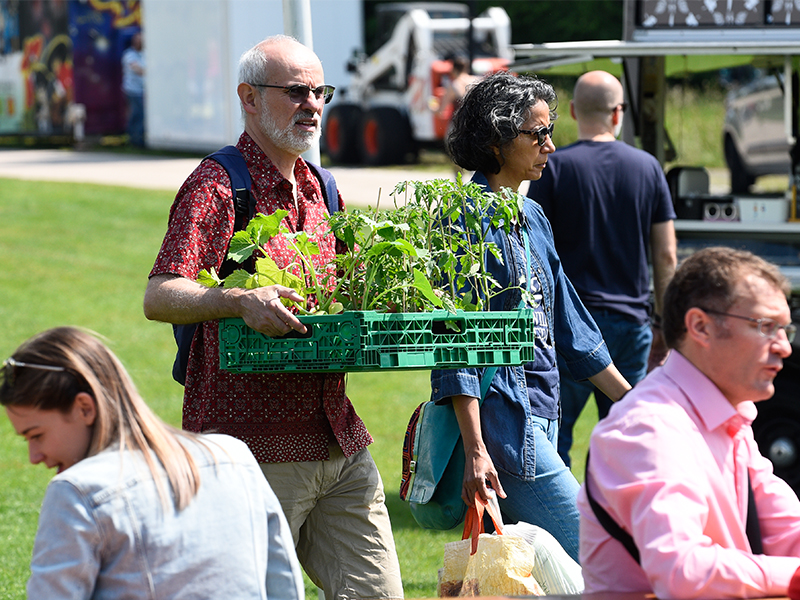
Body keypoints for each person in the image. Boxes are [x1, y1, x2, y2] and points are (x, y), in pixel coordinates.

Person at [143, 35, 403, 600]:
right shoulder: (218, 186)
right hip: (252, 448)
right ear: (250, 98)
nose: (313, 104)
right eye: (295, 92)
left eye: (320, 91)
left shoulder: (322, 187)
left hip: (338, 439)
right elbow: (160, 293)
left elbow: (340, 293)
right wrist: (234, 301)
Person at [433, 70, 631, 563]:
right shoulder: (462, 218)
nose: (550, 145)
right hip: (503, 422)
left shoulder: (533, 216)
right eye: (537, 133)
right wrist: (476, 449)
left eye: (551, 131)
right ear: (498, 140)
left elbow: (570, 325)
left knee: (547, 574)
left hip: (544, 412)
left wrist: (635, 400)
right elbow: (455, 338)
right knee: (598, 555)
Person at [0, 326, 303, 600]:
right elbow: (284, 584)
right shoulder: (232, 455)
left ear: (84, 408)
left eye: (36, 435)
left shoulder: (77, 491)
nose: (33, 456)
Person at [578, 247, 800, 599]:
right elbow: (683, 571)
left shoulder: (726, 419)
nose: (784, 346)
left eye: (784, 328)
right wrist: (791, 577)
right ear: (700, 326)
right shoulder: (647, 428)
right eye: (766, 326)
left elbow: (786, 531)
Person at [527, 70, 677, 468]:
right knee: (629, 433)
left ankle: (554, 522)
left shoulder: (553, 167)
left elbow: (539, 248)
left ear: (574, 111)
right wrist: (665, 321)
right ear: (619, 112)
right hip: (631, 325)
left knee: (555, 434)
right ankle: (619, 517)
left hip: (571, 326)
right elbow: (665, 256)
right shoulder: (648, 168)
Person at [121, 31, 145, 147]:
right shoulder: (129, 55)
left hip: (143, 90)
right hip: (133, 90)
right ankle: (134, 139)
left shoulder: (145, 54)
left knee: (142, 115)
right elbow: (138, 70)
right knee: (136, 114)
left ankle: (139, 138)